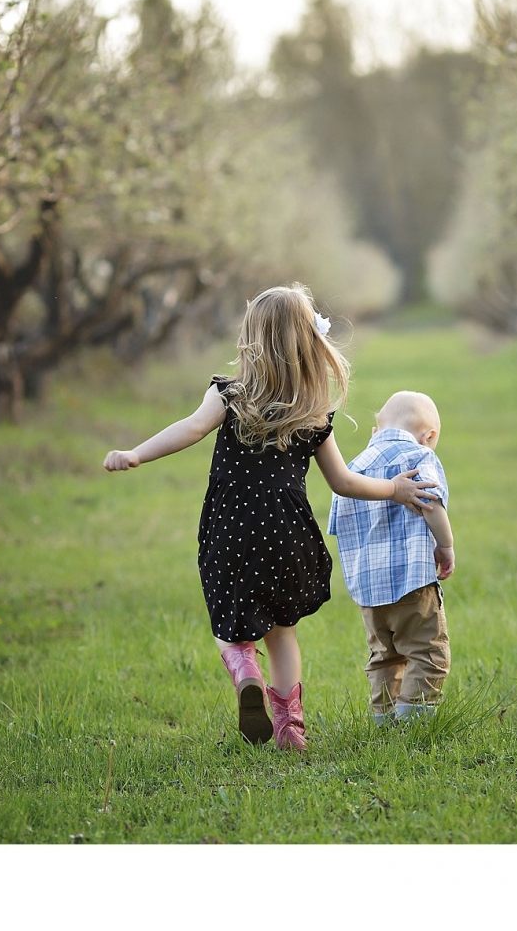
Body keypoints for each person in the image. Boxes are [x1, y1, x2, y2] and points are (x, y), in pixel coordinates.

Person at [102, 284, 438, 753]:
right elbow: (343, 481)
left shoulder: (229, 395)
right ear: (308, 345)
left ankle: (243, 670)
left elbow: (191, 429)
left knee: (230, 628)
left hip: (231, 531)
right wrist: (395, 489)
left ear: (252, 340)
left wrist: (136, 453)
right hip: (289, 536)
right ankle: (290, 728)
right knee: (283, 634)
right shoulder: (312, 414)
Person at [327, 390, 455, 723]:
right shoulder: (419, 456)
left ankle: (384, 720)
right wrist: (445, 546)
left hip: (368, 589)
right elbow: (432, 505)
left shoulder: (354, 468)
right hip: (411, 580)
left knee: (384, 657)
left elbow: (338, 525)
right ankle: (412, 726)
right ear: (430, 436)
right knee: (427, 653)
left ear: (375, 431)